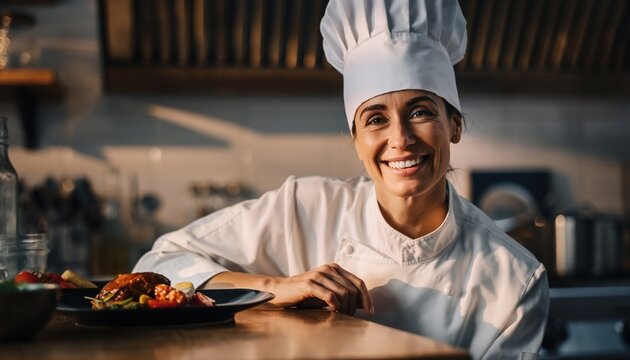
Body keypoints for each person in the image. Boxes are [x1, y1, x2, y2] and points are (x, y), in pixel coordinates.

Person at [133, 0, 549, 358]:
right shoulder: (302, 206)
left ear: (454, 126)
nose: (400, 140)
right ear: (356, 139)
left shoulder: (514, 280)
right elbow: (157, 266)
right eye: (376, 119)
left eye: (421, 112)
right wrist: (274, 288)